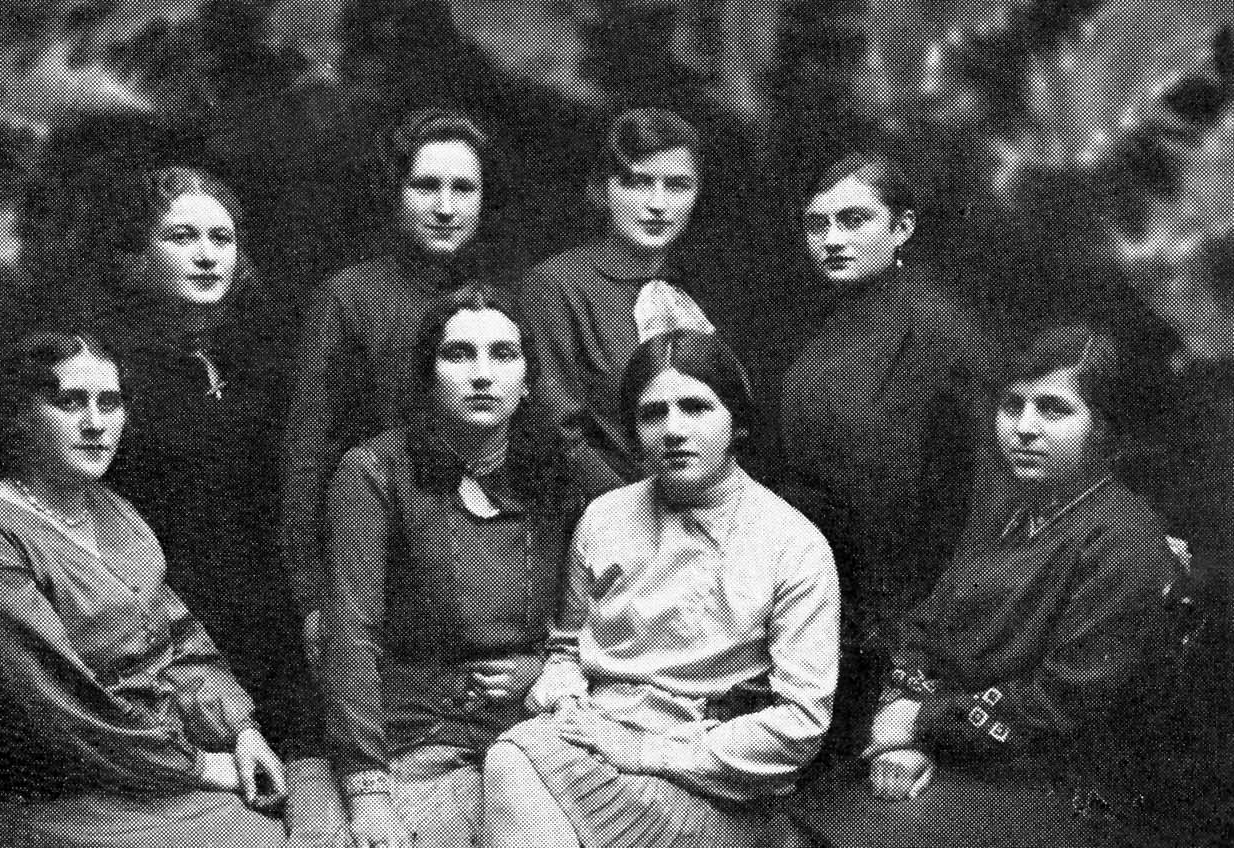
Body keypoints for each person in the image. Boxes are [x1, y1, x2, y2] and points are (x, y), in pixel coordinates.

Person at [794, 324, 1180, 848]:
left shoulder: (1126, 545)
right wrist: (898, 726)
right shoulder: (1010, 512)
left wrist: (922, 725)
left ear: (1104, 430)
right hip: (941, 747)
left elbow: (1065, 702)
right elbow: (927, 626)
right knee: (796, 813)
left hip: (1046, 781)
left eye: (1053, 410)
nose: (1023, 428)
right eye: (1013, 406)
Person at [481, 328, 839, 848]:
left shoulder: (793, 546)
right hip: (592, 741)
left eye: (695, 407)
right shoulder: (604, 518)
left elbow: (802, 721)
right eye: (653, 414)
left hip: (704, 773)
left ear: (735, 421)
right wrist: (560, 692)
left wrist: (658, 753)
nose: (673, 429)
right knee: (511, 758)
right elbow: (568, 646)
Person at [0, 331, 290, 847]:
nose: (95, 424)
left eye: (110, 403)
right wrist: (194, 766)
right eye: (70, 403)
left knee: (305, 817)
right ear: (20, 416)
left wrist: (240, 730)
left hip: (157, 766)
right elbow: (52, 699)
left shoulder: (121, 517)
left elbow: (179, 646)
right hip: (63, 786)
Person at [67, 166, 327, 812]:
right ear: (138, 258)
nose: (208, 253)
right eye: (182, 237)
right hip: (162, 624)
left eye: (222, 237)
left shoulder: (254, 360)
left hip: (267, 620)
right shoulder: (106, 372)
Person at [315, 284, 584, 848]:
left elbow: (623, 595)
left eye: (503, 354)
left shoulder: (565, 471)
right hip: (421, 736)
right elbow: (351, 632)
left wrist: (554, 664)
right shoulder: (377, 473)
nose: (482, 375)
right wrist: (366, 784)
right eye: (459, 354)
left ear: (529, 376)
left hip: (550, 731)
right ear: (429, 373)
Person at [775, 149, 1001, 752]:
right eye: (818, 225)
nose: (831, 241)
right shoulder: (809, 342)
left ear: (901, 228)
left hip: (909, 617)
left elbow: (973, 499)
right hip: (813, 610)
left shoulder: (944, 337)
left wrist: (910, 634)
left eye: (853, 221)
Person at [283, 106, 497, 646]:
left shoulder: (494, 305)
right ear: (396, 191)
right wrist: (314, 596)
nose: (446, 209)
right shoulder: (348, 298)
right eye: (428, 187)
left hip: (468, 563)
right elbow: (310, 446)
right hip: (366, 553)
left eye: (463, 189)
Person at [520, 107, 719, 498]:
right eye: (638, 183)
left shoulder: (709, 285)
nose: (658, 204)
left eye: (677, 185)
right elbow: (559, 431)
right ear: (600, 191)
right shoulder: (556, 286)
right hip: (607, 517)